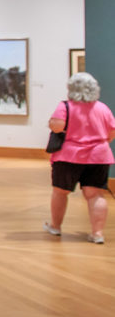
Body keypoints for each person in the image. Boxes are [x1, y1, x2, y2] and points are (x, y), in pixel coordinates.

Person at [45, 72, 115, 244]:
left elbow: (56, 127)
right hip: (99, 156)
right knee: (95, 194)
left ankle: (55, 226)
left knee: (61, 192)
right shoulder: (102, 107)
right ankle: (97, 233)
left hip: (69, 156)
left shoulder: (65, 106)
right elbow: (111, 131)